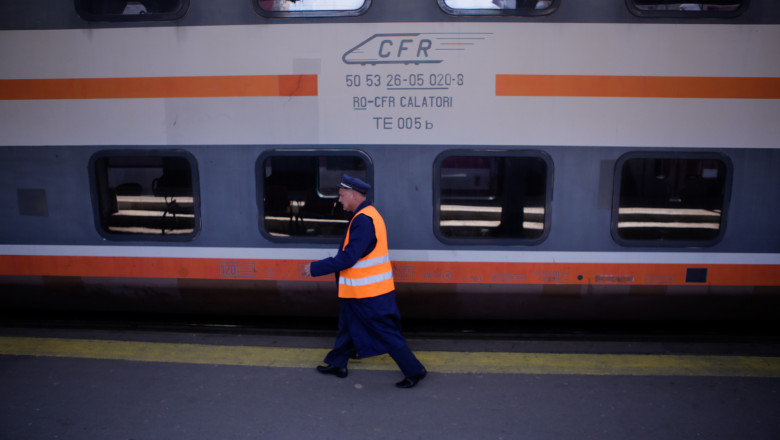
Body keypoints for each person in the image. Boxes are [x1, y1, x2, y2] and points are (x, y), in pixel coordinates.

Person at [302, 174, 427, 389]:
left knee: (386, 332)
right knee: (347, 326)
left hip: (369, 293)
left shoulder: (363, 220)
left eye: (341, 196)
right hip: (358, 290)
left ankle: (415, 371)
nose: (339, 200)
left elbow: (349, 257)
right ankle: (337, 363)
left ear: (353, 195)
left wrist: (315, 268)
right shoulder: (366, 215)